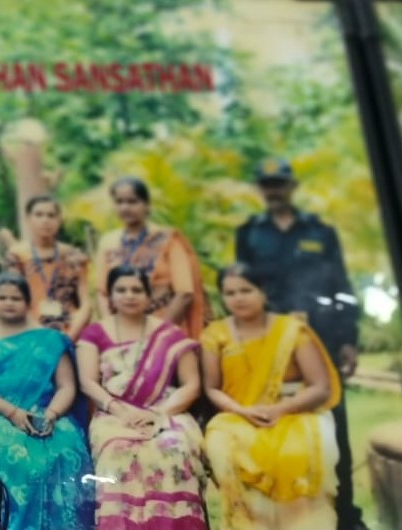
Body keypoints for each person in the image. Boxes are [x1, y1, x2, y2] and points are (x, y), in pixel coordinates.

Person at [233, 158, 364, 530]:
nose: (274, 190)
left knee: (334, 425)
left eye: (280, 183)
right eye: (267, 184)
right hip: (271, 344)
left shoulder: (321, 232)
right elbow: (244, 290)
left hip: (322, 339)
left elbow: (341, 286)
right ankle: (289, 516)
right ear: (261, 189)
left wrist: (349, 339)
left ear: (292, 187)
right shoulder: (249, 234)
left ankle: (345, 515)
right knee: (276, 428)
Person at [202, 263, 343, 530]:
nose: (239, 298)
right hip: (239, 415)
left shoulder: (291, 330)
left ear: (263, 292)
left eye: (246, 290)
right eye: (230, 293)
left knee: (295, 453)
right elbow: (212, 388)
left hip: (294, 412)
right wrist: (242, 411)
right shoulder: (215, 334)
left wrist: (280, 410)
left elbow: (320, 387)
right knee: (221, 444)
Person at [0, 272, 94, 530]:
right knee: (23, 461)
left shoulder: (50, 338)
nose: (9, 303)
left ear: (28, 302)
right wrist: (12, 412)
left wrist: (52, 414)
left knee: (67, 453)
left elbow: (66, 386)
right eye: (2, 297)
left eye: (16, 298)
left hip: (48, 413)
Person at [76, 265, 208, 529]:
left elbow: (191, 385)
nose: (129, 295)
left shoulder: (169, 334)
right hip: (115, 412)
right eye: (121, 290)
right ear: (111, 296)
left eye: (137, 290)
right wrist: (120, 411)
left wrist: (157, 414)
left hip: (166, 410)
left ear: (148, 296)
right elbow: (87, 382)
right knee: (118, 453)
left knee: (175, 450)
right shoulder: (95, 333)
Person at [91, 177, 209, 339]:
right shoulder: (108, 242)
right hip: (121, 331)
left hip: (165, 327)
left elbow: (184, 293)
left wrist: (158, 334)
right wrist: (111, 330)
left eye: (132, 201)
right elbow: (102, 293)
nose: (125, 207)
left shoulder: (169, 240)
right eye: (119, 202)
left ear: (147, 205)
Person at [3, 196, 91, 338]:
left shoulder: (73, 256)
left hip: (71, 329)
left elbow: (86, 303)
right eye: (39, 215)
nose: (45, 220)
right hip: (29, 330)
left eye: (51, 215)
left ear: (59, 220)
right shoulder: (17, 256)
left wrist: (70, 336)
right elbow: (12, 300)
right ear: (28, 219)